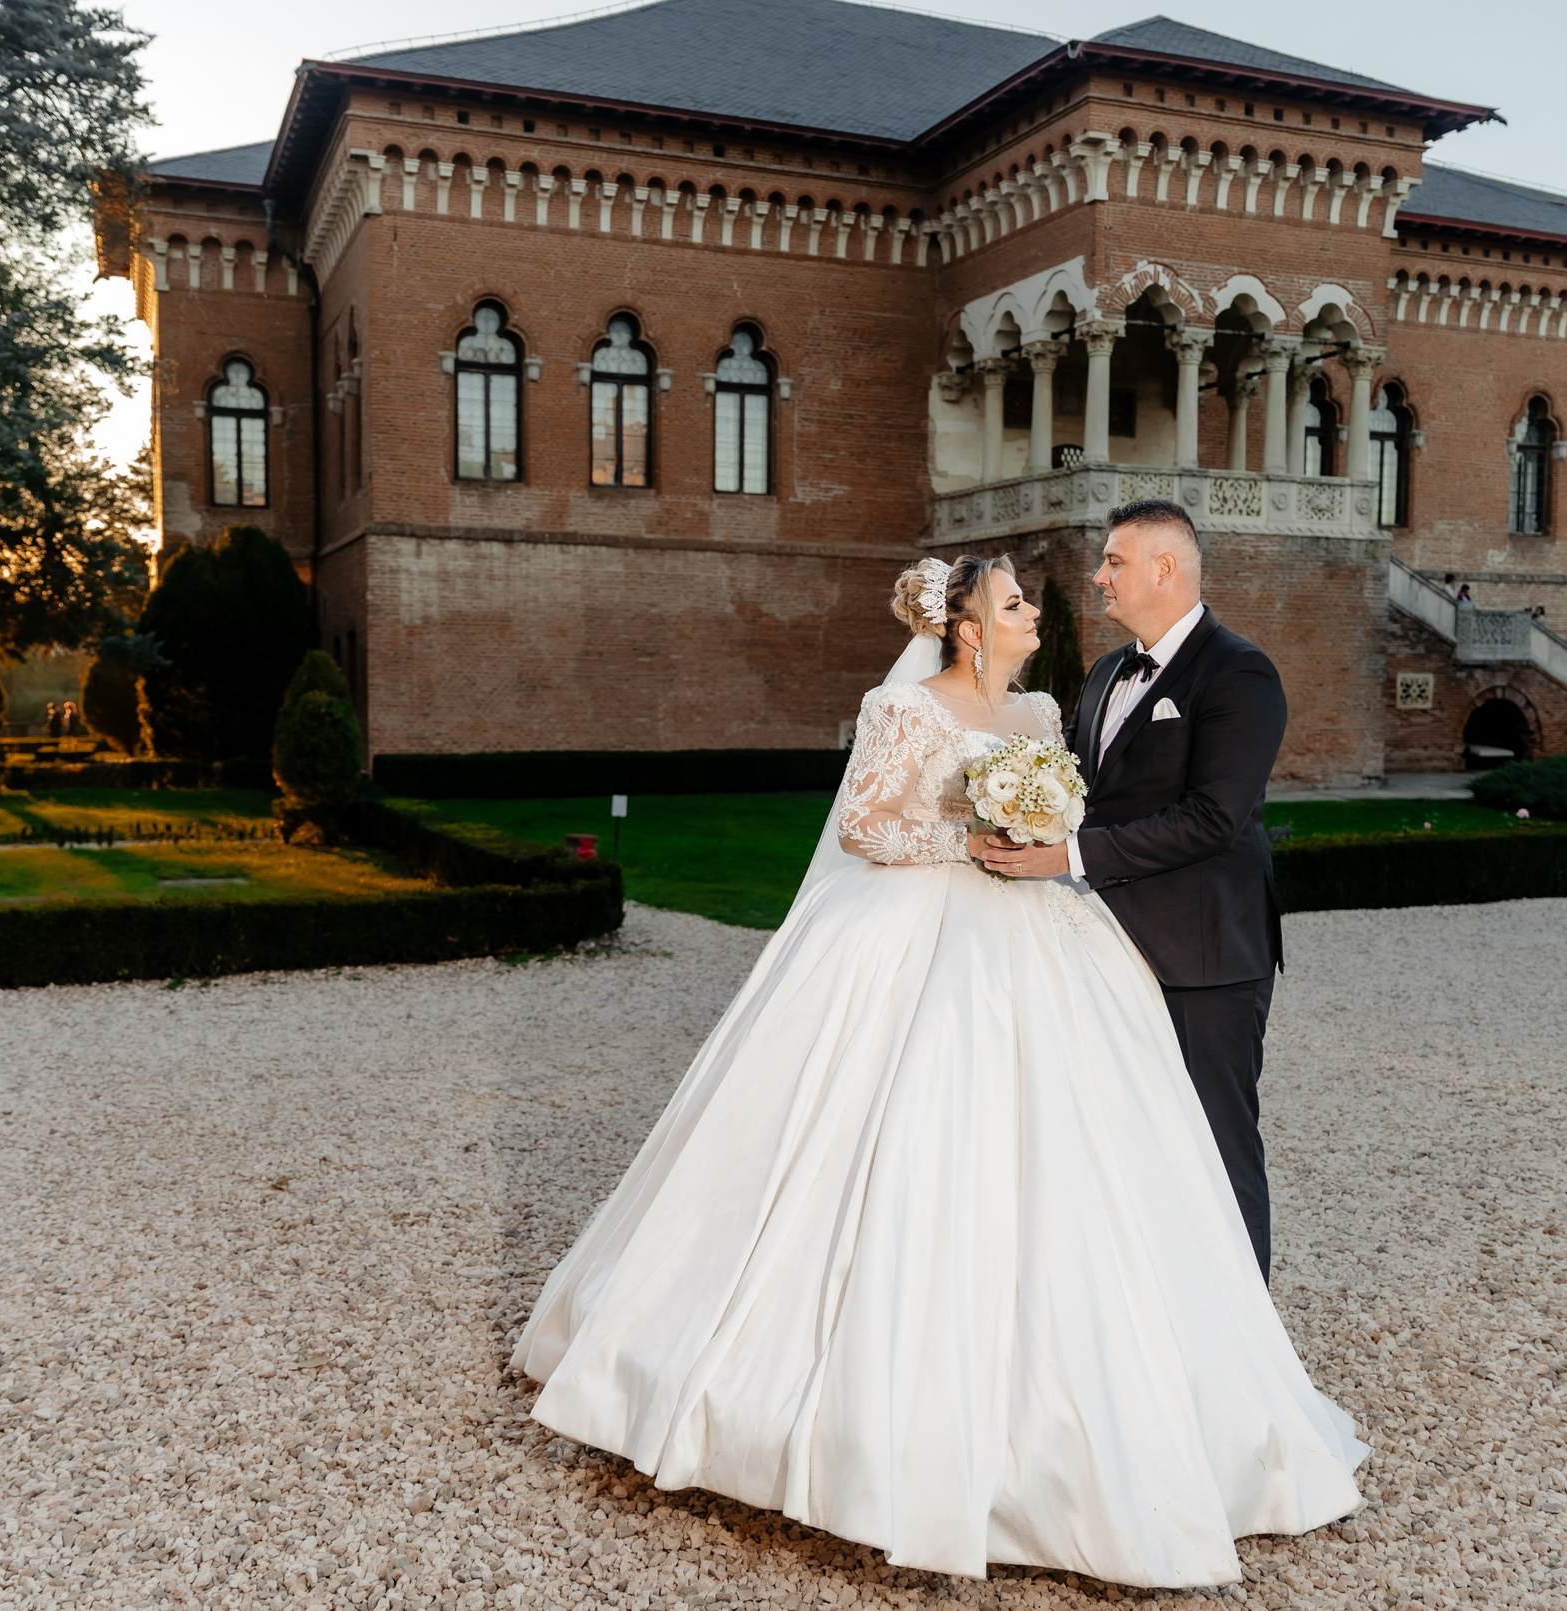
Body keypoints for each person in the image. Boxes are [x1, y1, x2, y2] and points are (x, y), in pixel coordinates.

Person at [512, 548, 1366, 1588]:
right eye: (1015, 603)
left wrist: (1041, 830)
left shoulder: (1047, 713)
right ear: (965, 625)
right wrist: (976, 833)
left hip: (1048, 939)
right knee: (899, 1136)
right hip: (915, 935)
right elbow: (867, 825)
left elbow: (1097, 816)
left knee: (1096, 1150)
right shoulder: (903, 709)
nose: (1038, 611)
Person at [979, 500, 1285, 1283]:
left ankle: (1247, 1343)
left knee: (1216, 1144)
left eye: (1113, 561)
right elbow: (1078, 793)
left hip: (1203, 958)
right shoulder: (1109, 671)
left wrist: (1069, 855)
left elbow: (1214, 818)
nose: (1099, 575)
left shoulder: (1239, 670)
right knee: (1129, 1148)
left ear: (1164, 569)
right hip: (1101, 953)